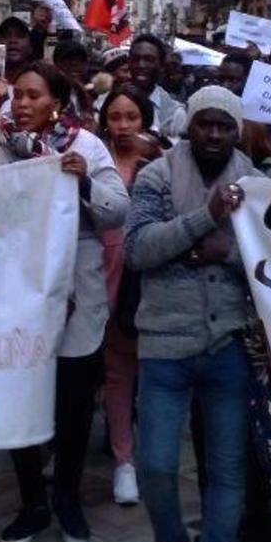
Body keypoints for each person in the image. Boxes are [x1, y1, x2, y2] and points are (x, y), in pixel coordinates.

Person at [124, 87, 256, 542]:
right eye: (206, 124)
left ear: (236, 130)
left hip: (227, 342)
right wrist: (206, 221)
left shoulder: (258, 183)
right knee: (155, 464)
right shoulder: (156, 176)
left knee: (226, 473)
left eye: (225, 126)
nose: (215, 135)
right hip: (164, 343)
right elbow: (139, 250)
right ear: (190, 125)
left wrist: (228, 252)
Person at [0, 63, 128, 542]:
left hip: (74, 293)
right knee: (18, 397)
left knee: (72, 402)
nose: (21, 104)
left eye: (33, 96)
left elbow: (117, 210)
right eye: (16, 96)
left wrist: (84, 183)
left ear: (57, 103)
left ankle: (67, 496)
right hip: (15, 290)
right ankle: (31, 501)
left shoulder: (85, 148)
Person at [97, 88, 161, 506]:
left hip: (142, 281)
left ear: (145, 121)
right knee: (114, 374)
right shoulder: (94, 160)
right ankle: (123, 460)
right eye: (116, 117)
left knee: (146, 373)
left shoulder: (161, 162)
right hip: (98, 276)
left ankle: (145, 457)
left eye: (131, 117)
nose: (123, 126)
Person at [124, 33, 187, 138]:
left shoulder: (175, 114)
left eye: (149, 60)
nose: (141, 65)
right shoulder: (107, 103)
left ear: (161, 65)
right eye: (136, 59)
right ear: (129, 63)